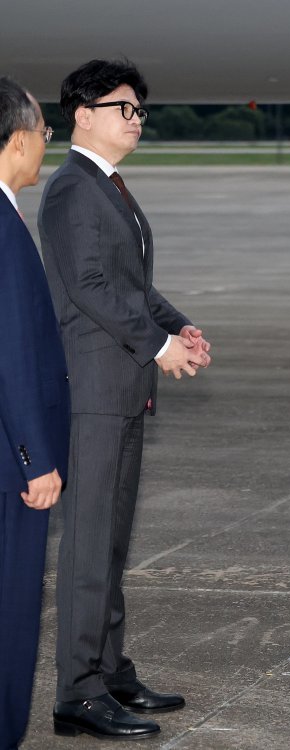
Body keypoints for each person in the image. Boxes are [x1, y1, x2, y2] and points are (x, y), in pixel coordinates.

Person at [39, 59, 212, 740]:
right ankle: (76, 694)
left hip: (122, 388)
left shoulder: (107, 188)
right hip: (93, 391)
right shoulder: (72, 189)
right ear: (82, 114)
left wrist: (177, 327)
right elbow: (89, 286)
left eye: (140, 110)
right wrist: (156, 345)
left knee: (110, 542)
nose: (136, 121)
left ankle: (108, 671)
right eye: (124, 108)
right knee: (87, 545)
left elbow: (133, 285)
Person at [0, 76, 71, 750]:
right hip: (10, 468)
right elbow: (13, 353)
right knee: (11, 618)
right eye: (45, 131)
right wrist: (36, 458)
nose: (46, 144)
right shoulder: (1, 225)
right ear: (17, 139)